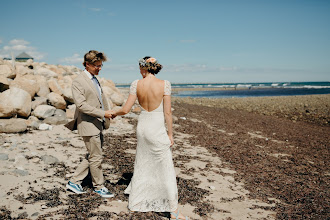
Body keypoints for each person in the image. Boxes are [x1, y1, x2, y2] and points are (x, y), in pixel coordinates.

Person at [111, 56, 189, 219]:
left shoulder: (136, 84)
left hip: (143, 127)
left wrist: (112, 113)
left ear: (143, 68)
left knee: (143, 161)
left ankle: (137, 201)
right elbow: (168, 112)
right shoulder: (164, 84)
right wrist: (170, 134)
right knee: (165, 166)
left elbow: (125, 109)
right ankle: (173, 209)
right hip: (156, 127)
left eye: (139, 68)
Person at [65, 50, 114, 198]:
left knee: (93, 155)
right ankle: (99, 187)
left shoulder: (94, 79)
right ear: (87, 64)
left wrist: (108, 115)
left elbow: (100, 99)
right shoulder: (79, 81)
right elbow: (81, 105)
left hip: (98, 123)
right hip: (87, 124)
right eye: (96, 66)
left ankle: (74, 181)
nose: (99, 68)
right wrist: (103, 114)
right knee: (96, 157)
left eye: (101, 65)